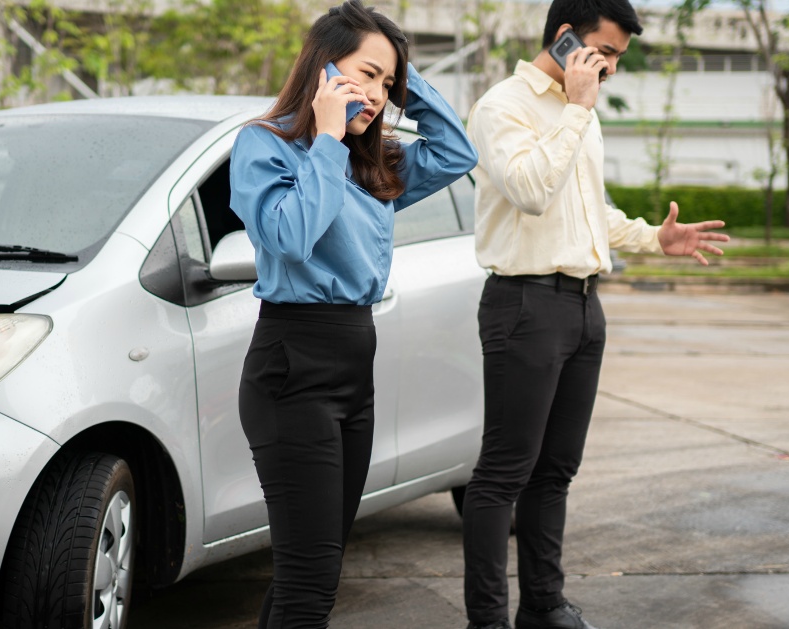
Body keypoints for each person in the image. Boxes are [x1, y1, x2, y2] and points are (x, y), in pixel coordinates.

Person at [460, 1, 730, 628]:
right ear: (564, 39)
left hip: (583, 306)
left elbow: (584, 212)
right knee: (504, 473)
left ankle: (544, 606)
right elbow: (530, 191)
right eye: (604, 54)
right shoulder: (503, 106)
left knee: (555, 471)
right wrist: (578, 108)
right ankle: (487, 620)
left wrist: (651, 238)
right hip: (523, 305)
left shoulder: (580, 114)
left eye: (617, 60)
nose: (610, 70)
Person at [229, 1, 478, 627]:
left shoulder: (377, 164)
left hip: (353, 368)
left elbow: (455, 151)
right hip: (293, 369)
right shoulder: (265, 145)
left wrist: (402, 75)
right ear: (322, 64)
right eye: (363, 73)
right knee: (311, 582)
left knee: (311, 571)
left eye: (384, 84)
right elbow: (291, 236)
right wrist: (329, 137)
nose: (374, 93)